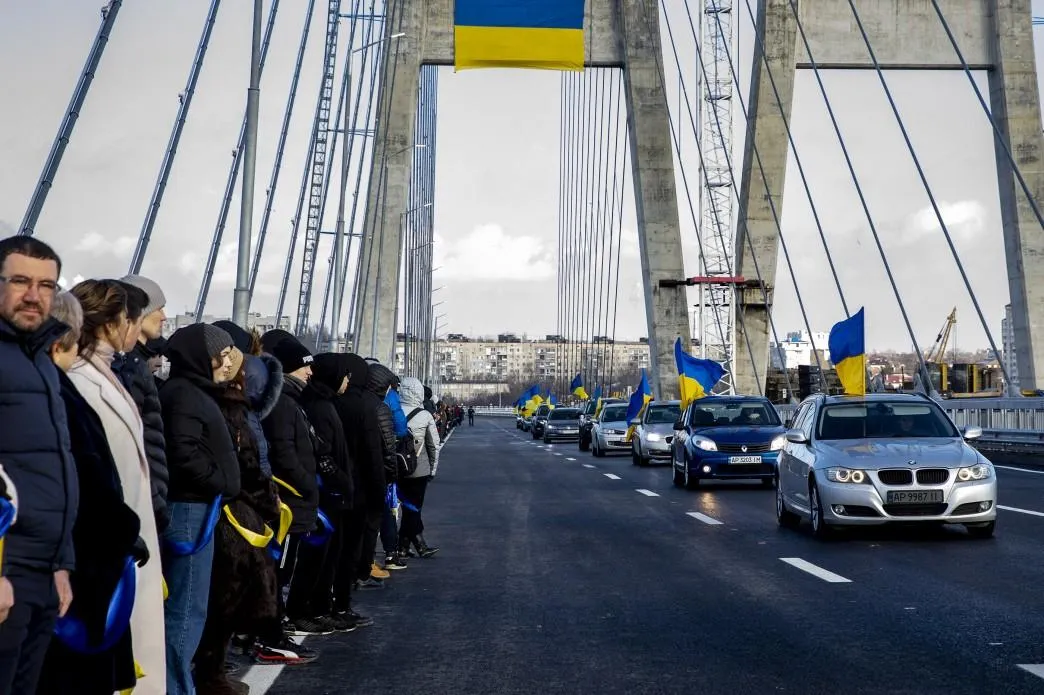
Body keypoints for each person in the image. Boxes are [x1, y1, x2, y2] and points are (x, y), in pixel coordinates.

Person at [38, 291, 146, 695]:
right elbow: (84, 477)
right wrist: (125, 527)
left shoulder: (57, 388)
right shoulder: (62, 392)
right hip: (78, 566)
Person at [66, 280, 167, 693]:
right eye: (131, 318)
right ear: (112, 324)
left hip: (128, 531)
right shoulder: (81, 378)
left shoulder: (105, 372)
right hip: (114, 538)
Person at [0, 236, 78, 694]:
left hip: (41, 573)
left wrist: (59, 564)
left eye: (46, 285)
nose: (34, 295)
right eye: (20, 281)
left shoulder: (41, 362)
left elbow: (54, 469)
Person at [193, 345, 286, 692]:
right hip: (235, 511)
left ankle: (214, 669)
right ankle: (208, 674)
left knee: (226, 596)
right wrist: (265, 500)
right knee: (223, 595)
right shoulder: (225, 408)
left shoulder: (236, 407)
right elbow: (245, 462)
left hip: (242, 507)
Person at [160, 323, 241, 695]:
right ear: (200, 356)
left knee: (188, 608)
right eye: (222, 355)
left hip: (195, 510)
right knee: (185, 609)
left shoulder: (191, 391)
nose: (228, 363)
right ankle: (177, 688)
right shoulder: (186, 395)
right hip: (189, 512)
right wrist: (221, 482)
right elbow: (183, 453)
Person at [301, 354, 372, 632]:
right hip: (328, 495)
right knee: (323, 558)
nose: (347, 381)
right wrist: (342, 480)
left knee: (330, 557)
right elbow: (324, 453)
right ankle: (313, 609)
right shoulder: (321, 407)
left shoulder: (327, 403)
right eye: (344, 376)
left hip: (334, 493)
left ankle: (323, 607)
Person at [261, 336, 324, 635]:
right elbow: (284, 453)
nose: (309, 373)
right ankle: (272, 626)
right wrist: (307, 484)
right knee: (280, 567)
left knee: (285, 565)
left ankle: (276, 620)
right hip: (289, 501)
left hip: (295, 499)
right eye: (303, 368)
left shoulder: (291, 400)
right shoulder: (284, 404)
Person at [117, 275, 171, 535]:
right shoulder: (130, 367)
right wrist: (155, 500)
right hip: (140, 504)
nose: (163, 316)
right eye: (158, 308)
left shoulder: (136, 365)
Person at [336, 355, 390, 590]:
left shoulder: (340, 402)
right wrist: (386, 481)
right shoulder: (374, 407)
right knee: (365, 529)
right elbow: (383, 449)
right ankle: (360, 572)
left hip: (344, 478)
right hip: (365, 480)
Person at [397, 377, 441, 559]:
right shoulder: (425, 415)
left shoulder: (393, 411)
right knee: (414, 508)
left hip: (395, 467)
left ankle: (402, 547)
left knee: (406, 509)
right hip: (418, 469)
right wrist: (432, 469)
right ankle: (419, 545)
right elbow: (433, 445)